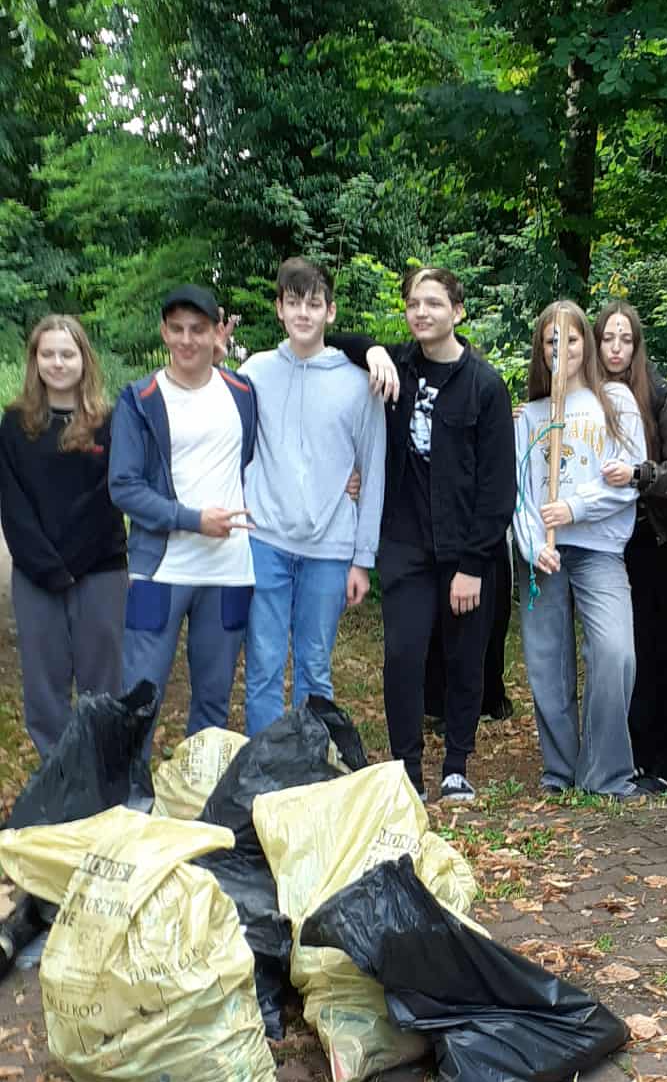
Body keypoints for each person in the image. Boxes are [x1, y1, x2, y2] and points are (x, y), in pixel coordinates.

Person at [329, 267, 515, 803]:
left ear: (457, 311)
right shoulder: (398, 368)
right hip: (405, 543)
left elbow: (498, 487)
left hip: (465, 549)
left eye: (433, 303)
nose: (421, 312)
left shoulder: (484, 385)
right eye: (413, 303)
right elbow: (333, 341)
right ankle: (407, 770)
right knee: (403, 656)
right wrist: (372, 350)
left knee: (464, 659)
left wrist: (473, 565)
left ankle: (456, 766)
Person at [240, 258, 387, 734]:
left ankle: (307, 765)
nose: (303, 313)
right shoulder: (254, 372)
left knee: (314, 668)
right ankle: (263, 764)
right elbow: (231, 446)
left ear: (331, 311)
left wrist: (362, 558)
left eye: (314, 303)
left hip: (329, 549)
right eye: (294, 302)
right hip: (265, 540)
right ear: (279, 309)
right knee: (262, 667)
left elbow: (374, 470)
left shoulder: (358, 382)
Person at [109, 284, 256, 744]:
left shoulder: (242, 392)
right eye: (177, 329)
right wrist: (193, 520)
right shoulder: (141, 398)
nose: (187, 340)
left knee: (213, 702)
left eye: (198, 329)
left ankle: (200, 785)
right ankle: (131, 786)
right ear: (164, 332)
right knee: (138, 700)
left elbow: (262, 457)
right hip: (160, 569)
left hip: (229, 570)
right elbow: (123, 486)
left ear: (216, 333)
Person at [513, 301, 646, 799]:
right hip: (544, 557)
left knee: (615, 652)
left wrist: (575, 506)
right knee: (547, 664)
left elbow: (627, 480)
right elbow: (518, 493)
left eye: (569, 339)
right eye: (551, 340)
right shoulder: (530, 416)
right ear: (540, 348)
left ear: (585, 344)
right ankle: (561, 770)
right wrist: (532, 545)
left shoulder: (614, 401)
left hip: (599, 550)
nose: (560, 348)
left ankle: (605, 773)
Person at [0, 315, 127, 756]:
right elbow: (14, 505)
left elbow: (110, 497)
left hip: (100, 572)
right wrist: (49, 568)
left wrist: (75, 565)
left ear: (84, 359)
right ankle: (56, 773)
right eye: (48, 353)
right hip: (37, 576)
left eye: (67, 354)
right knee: (44, 687)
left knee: (102, 685)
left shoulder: (110, 423)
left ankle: (100, 771)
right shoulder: (14, 425)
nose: (57, 363)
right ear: (35, 360)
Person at [595, 299, 667, 793]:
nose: (616, 348)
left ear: (637, 344)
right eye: (607, 338)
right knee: (623, 651)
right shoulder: (585, 395)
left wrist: (638, 473)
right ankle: (627, 754)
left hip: (657, 538)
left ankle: (666, 762)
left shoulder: (661, 395)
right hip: (604, 542)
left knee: (662, 650)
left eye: (625, 339)